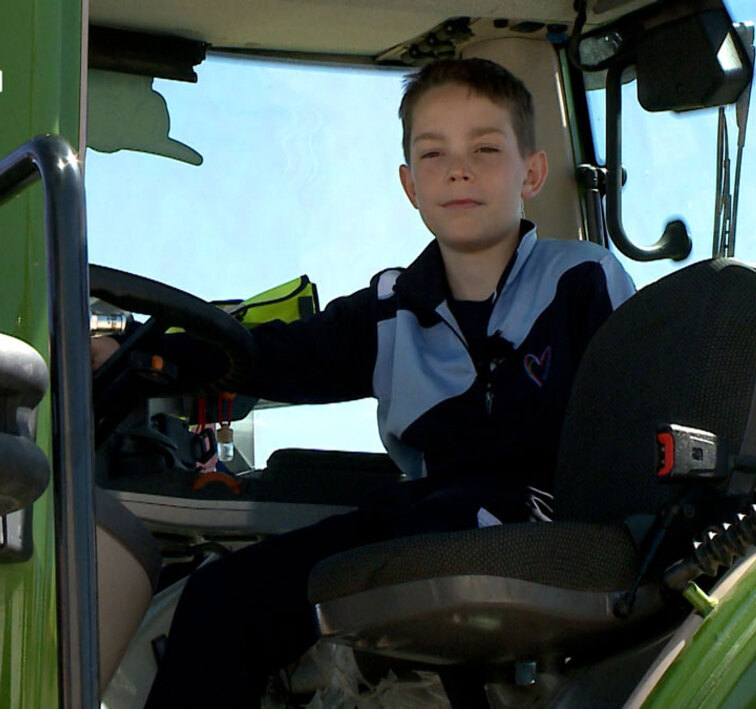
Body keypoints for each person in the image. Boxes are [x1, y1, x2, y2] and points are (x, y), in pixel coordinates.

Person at [107, 57, 637, 707]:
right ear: (410, 184)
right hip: (428, 516)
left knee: (431, 527)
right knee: (222, 596)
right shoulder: (390, 310)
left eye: (485, 149)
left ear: (531, 171)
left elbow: (627, 426)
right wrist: (136, 353)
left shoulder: (581, 279)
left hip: (547, 514)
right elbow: (267, 355)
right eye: (434, 153)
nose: (458, 170)